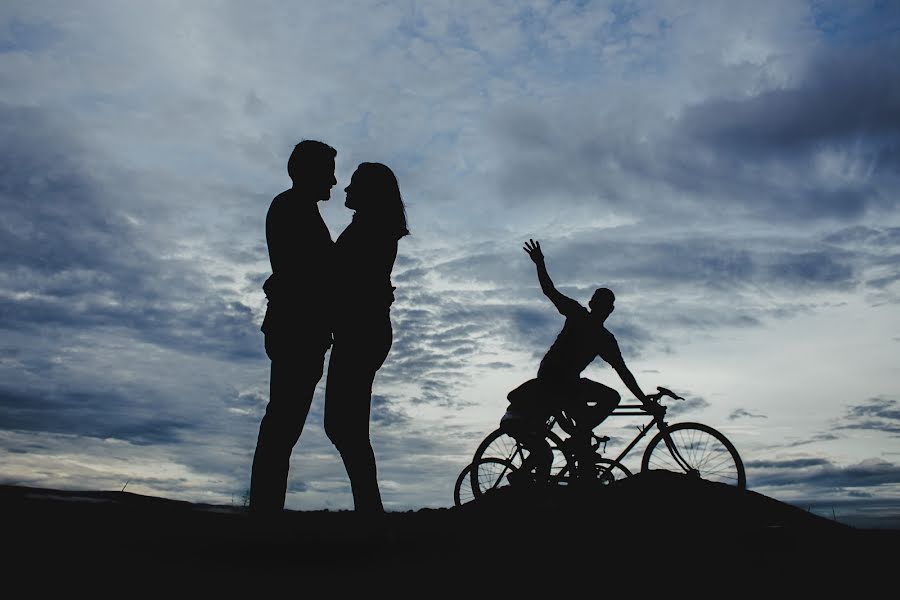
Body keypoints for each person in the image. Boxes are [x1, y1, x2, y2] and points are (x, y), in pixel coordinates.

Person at [501, 238, 661, 485]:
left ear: (609, 310)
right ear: (592, 305)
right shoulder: (577, 314)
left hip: (571, 383)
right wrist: (540, 263)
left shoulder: (606, 339)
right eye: (599, 303)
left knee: (608, 399)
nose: (601, 308)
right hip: (552, 378)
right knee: (584, 423)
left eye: (605, 305)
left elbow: (624, 372)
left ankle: (580, 451)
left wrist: (643, 399)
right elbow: (550, 291)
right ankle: (578, 442)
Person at [249, 140, 337, 514]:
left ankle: (266, 511)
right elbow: (305, 272)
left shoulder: (297, 208)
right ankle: (265, 514)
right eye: (328, 172)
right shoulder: (292, 208)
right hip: (296, 329)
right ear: (309, 172)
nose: (334, 181)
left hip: (299, 327)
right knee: (282, 426)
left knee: (283, 426)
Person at [324, 162, 409, 512]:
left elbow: (346, 280)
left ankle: (370, 515)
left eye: (353, 184)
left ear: (370, 191)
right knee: (346, 428)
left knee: (346, 429)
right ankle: (370, 513)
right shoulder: (369, 227)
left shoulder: (371, 230)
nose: (345, 189)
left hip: (362, 332)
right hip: (363, 331)